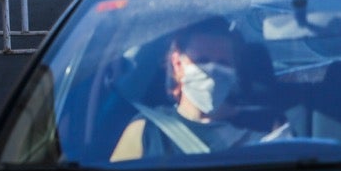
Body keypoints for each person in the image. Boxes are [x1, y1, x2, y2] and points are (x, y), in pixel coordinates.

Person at [111, 17, 290, 161]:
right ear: (177, 64)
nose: (212, 70)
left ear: (235, 70)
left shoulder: (267, 125)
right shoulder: (148, 129)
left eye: (223, 63)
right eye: (202, 60)